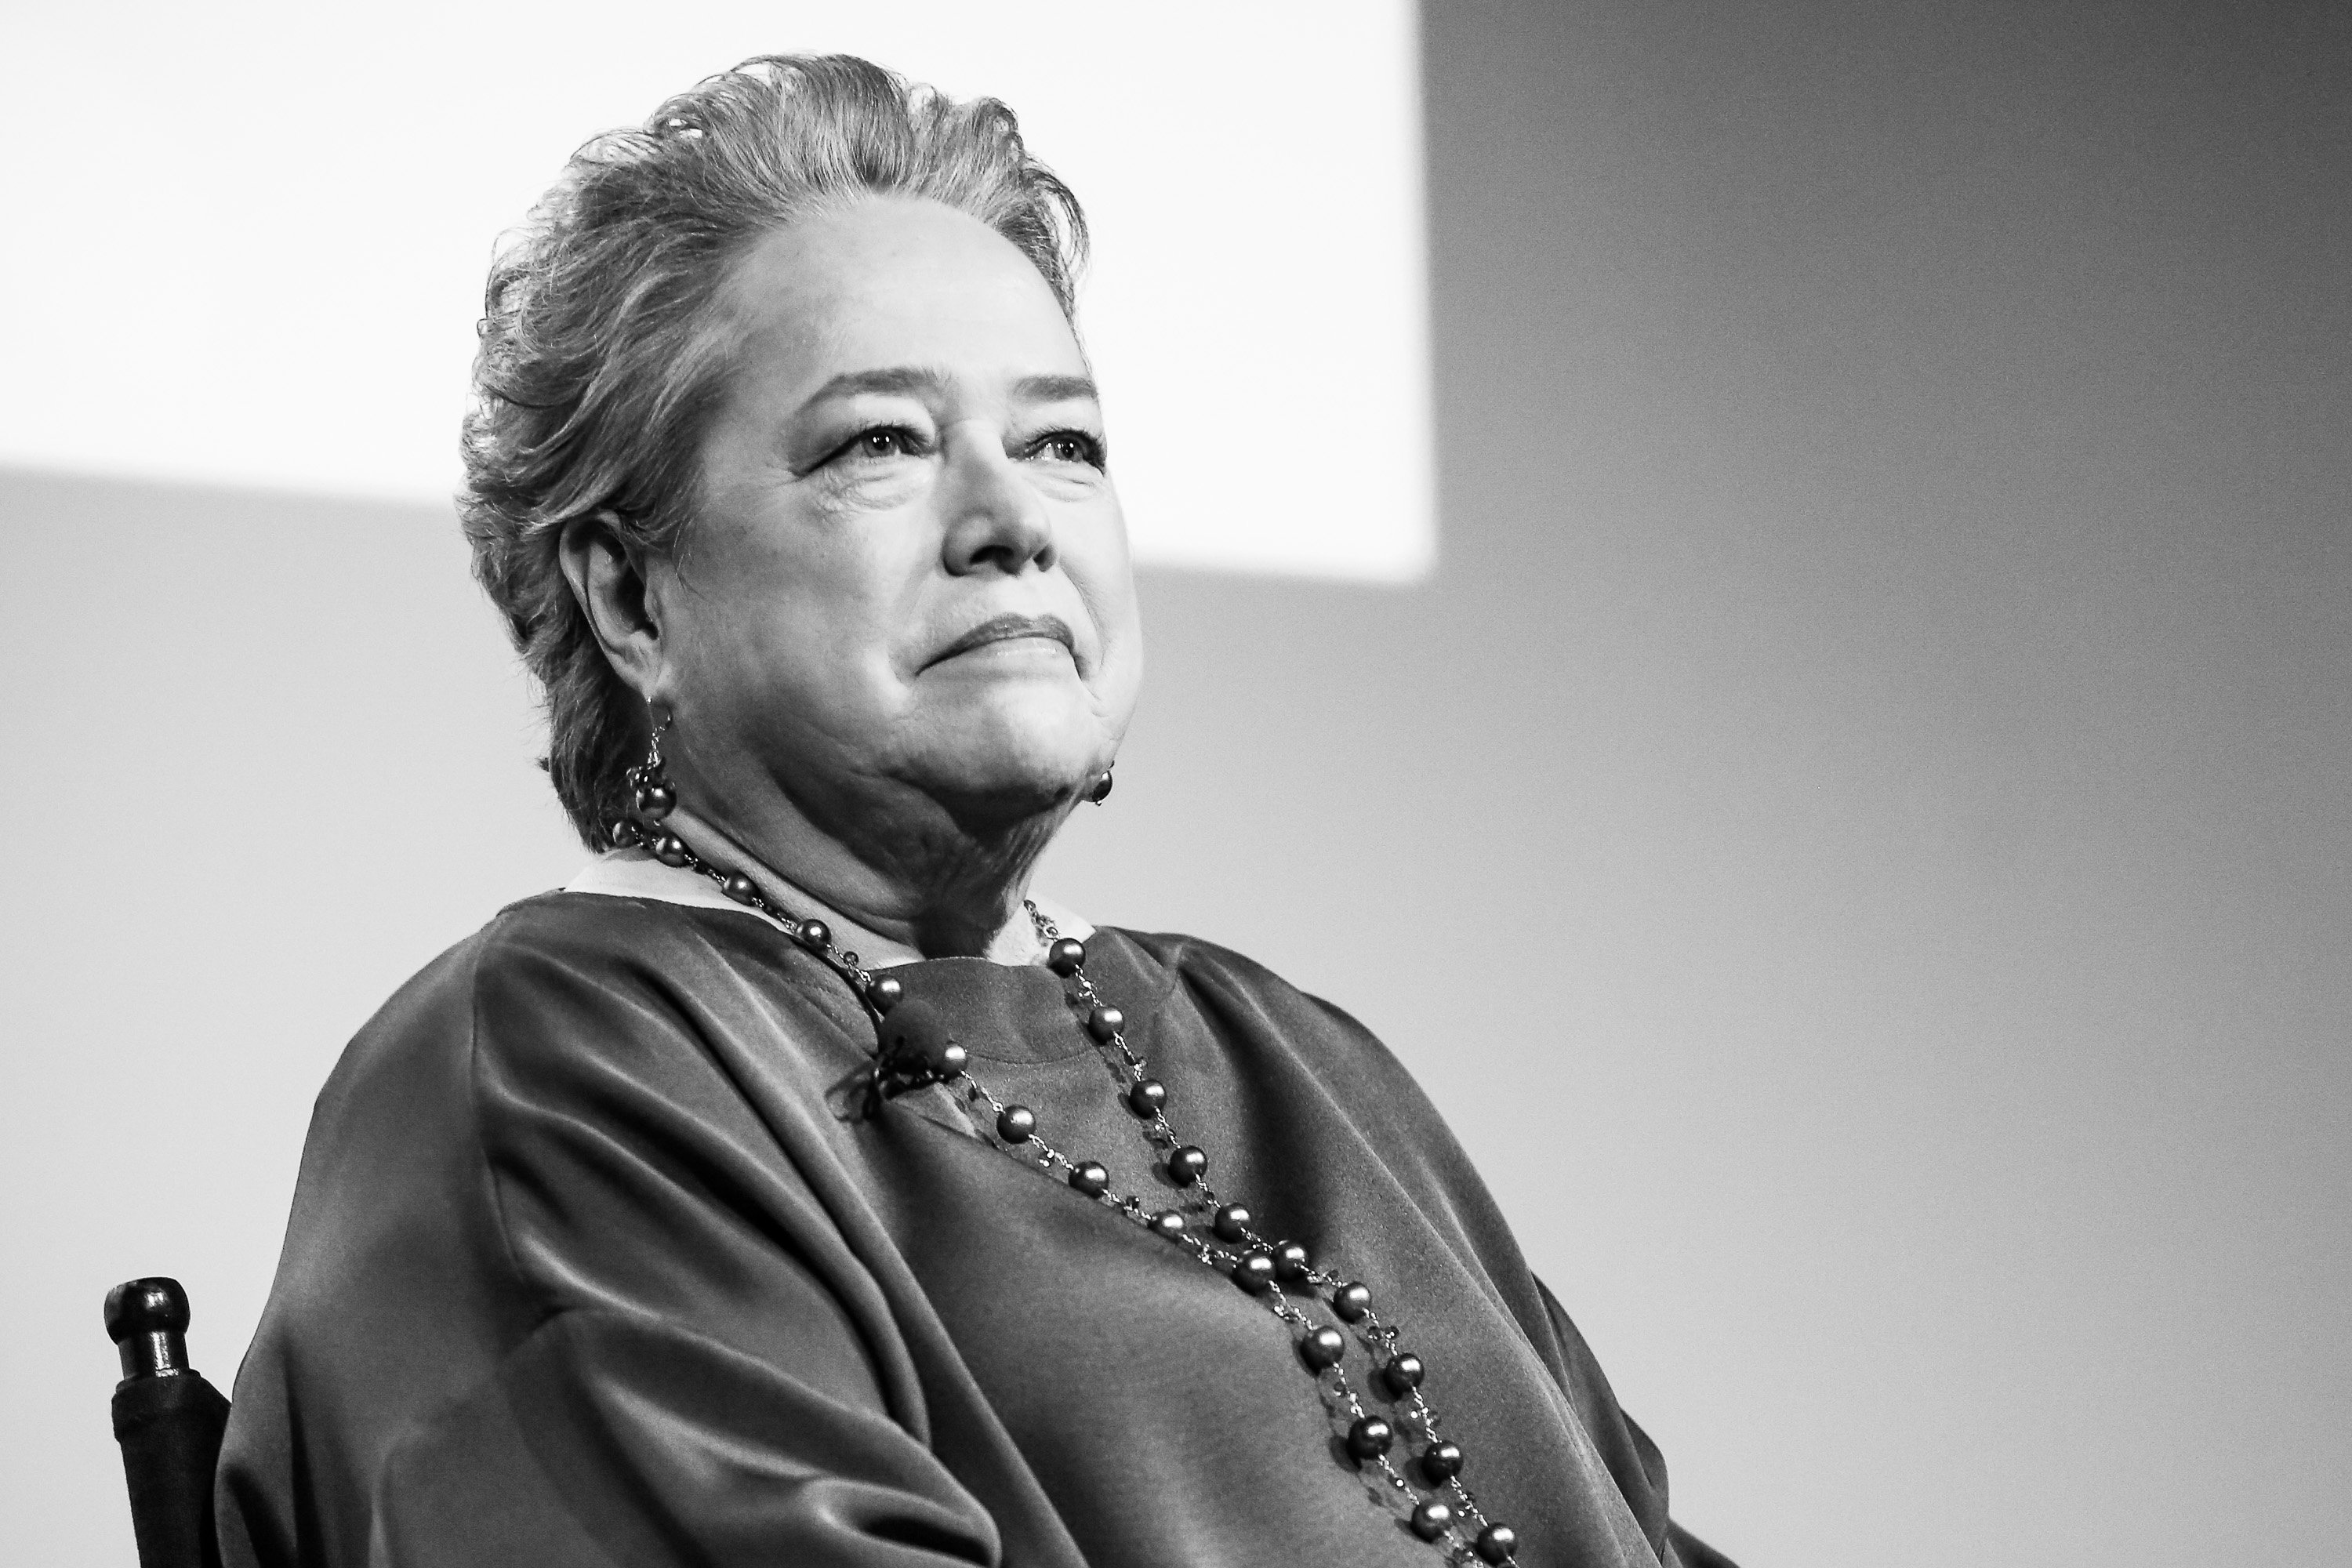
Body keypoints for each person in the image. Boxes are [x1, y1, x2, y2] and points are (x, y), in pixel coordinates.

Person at [215, 54, 1735, 1568]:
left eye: (1065, 444)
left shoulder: (1297, 1058)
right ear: (630, 594)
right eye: (882, 442)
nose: (1015, 522)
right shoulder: (559, 1074)